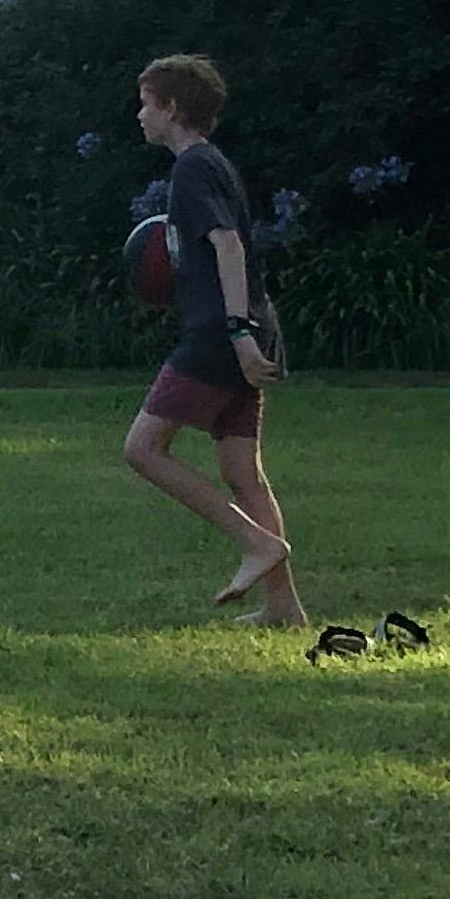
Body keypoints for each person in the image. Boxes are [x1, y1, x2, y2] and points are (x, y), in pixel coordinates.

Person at [121, 53, 304, 627]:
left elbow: (228, 245)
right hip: (242, 329)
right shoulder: (210, 163)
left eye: (147, 103)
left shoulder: (195, 168)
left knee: (142, 450)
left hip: (220, 335)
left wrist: (237, 332)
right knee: (242, 472)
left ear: (172, 108)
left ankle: (255, 544)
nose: (140, 115)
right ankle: (284, 609)